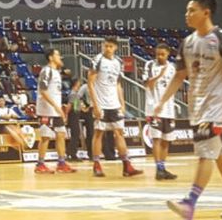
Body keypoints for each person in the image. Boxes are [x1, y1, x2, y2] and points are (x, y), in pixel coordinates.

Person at [155, 0, 222, 220]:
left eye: (191, 10)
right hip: (198, 106)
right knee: (218, 152)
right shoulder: (188, 43)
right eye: (186, 10)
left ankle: (189, 203)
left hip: (220, 105)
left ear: (206, 12)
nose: (187, 14)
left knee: (206, 153)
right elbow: (179, 75)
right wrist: (161, 102)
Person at [88, 37, 143, 177]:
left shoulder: (118, 62)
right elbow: (90, 83)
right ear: (102, 46)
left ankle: (127, 165)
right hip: (101, 104)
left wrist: (122, 103)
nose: (107, 49)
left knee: (119, 133)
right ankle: (96, 164)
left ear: (115, 48)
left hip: (114, 104)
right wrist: (95, 105)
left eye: (110, 46)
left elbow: (118, 84)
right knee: (99, 133)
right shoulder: (97, 60)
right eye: (105, 46)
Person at [35, 49, 77, 174]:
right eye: (58, 55)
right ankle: (40, 164)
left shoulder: (56, 72)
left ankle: (61, 163)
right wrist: (56, 106)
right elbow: (43, 90)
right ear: (51, 58)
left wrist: (59, 107)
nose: (60, 57)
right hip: (46, 110)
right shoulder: (46, 71)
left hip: (55, 110)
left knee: (61, 134)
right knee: (45, 137)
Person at [143, 43, 178, 180]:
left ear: (168, 53)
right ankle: (158, 168)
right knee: (156, 139)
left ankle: (163, 168)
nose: (159, 57)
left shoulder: (172, 67)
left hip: (169, 109)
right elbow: (147, 84)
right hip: (153, 109)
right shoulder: (150, 65)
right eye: (157, 54)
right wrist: (159, 75)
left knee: (166, 140)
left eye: (162, 54)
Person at [66, 79, 82, 161]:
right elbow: (69, 105)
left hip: (76, 115)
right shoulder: (73, 94)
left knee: (76, 134)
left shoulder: (76, 94)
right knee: (75, 135)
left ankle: (71, 153)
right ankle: (72, 154)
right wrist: (65, 115)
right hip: (73, 115)